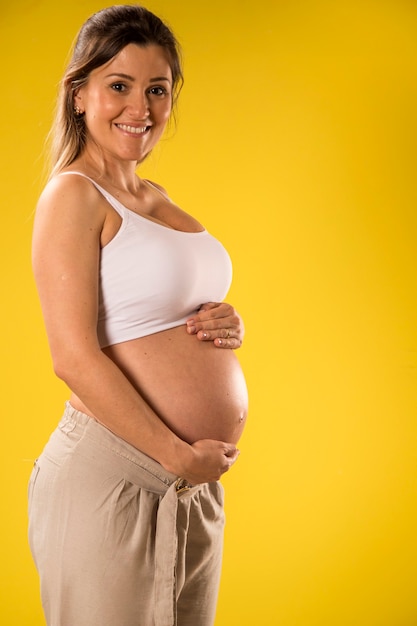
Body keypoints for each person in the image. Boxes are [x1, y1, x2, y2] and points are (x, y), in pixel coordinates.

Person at [28, 5, 248, 626]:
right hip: (115, 471)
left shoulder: (156, 198)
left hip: (190, 487)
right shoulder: (72, 194)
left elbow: (152, 310)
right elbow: (71, 356)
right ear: (79, 95)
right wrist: (176, 456)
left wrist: (227, 325)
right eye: (118, 86)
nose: (140, 108)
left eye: (157, 90)